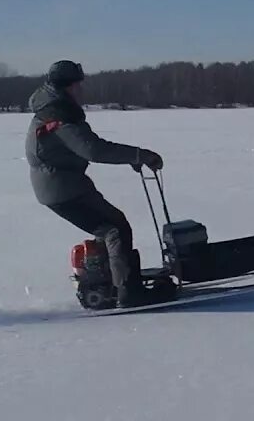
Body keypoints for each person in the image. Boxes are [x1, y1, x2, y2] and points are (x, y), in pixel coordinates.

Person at [25, 60, 170, 308]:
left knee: (109, 227)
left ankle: (106, 283)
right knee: (115, 228)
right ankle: (129, 293)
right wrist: (140, 155)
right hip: (63, 189)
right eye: (79, 84)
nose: (82, 90)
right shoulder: (59, 115)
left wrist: (131, 159)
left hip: (59, 186)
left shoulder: (52, 108)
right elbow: (93, 149)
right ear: (69, 86)